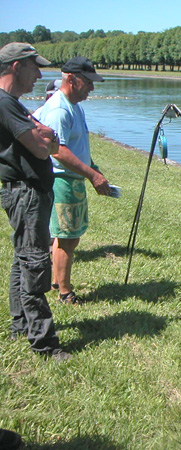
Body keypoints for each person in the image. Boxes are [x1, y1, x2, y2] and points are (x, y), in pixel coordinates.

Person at [0, 42, 71, 361]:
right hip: (26, 192)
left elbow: (46, 136)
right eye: (33, 67)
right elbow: (45, 147)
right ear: (16, 67)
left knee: (22, 258)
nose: (39, 74)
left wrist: (45, 137)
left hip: (24, 190)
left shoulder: (11, 102)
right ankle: (44, 343)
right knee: (33, 263)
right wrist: (46, 138)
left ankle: (20, 325)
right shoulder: (5, 103)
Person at [34, 56, 110, 304]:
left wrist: (93, 167)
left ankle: (57, 280)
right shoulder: (59, 109)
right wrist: (92, 174)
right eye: (88, 82)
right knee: (65, 237)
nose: (92, 87)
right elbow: (58, 150)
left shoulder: (74, 105)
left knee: (71, 235)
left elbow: (77, 145)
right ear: (71, 79)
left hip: (73, 180)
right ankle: (65, 292)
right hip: (61, 180)